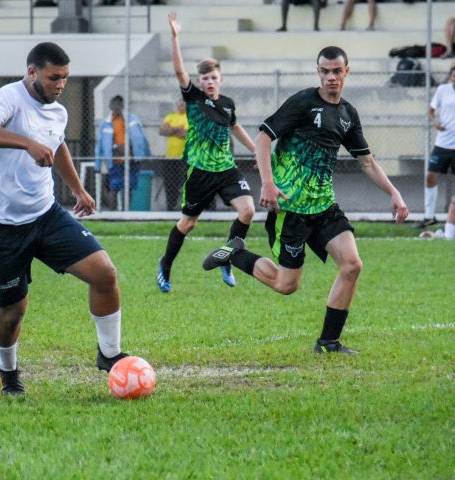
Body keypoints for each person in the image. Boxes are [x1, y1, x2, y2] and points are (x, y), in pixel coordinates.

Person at [203, 46, 408, 354]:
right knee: (287, 285)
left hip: (324, 207)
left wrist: (394, 192)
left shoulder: (347, 114)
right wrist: (268, 183)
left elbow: (366, 161)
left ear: (346, 72)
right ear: (318, 73)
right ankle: (235, 253)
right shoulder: (302, 103)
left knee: (352, 265)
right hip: (292, 210)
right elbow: (263, 137)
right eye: (324, 71)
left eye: (336, 71)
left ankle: (328, 342)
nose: (330, 77)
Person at [0, 42, 128, 396]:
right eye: (54, 77)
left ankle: (110, 355)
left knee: (105, 273)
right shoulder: (8, 98)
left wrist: (78, 190)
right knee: (12, 312)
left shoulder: (57, 111)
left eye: (66, 78)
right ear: (32, 72)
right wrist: (25, 143)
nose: (60, 85)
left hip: (44, 214)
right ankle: (8, 375)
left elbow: (58, 147)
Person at [157, 12, 256, 293]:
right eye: (205, 78)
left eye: (213, 77)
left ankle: (227, 256)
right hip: (200, 171)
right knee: (187, 224)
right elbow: (179, 72)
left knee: (247, 211)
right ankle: (165, 266)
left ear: (221, 79)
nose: (209, 82)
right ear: (200, 82)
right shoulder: (195, 100)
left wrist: (259, 154)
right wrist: (175, 38)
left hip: (226, 169)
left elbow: (236, 128)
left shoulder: (227, 104)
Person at [95, 95, 151, 210]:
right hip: (115, 159)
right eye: (114, 104)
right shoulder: (106, 123)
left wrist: (142, 153)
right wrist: (98, 163)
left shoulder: (132, 119)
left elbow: (141, 138)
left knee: (129, 187)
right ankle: (112, 213)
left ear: (122, 105)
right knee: (114, 186)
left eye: (119, 104)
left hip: (131, 158)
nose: (116, 107)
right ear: (110, 106)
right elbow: (101, 144)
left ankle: (126, 212)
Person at [419, 64, 455, 229]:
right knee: (430, 177)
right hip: (442, 144)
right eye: (453, 76)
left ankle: (451, 221)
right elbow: (431, 111)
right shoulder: (443, 90)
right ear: (450, 77)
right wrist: (435, 123)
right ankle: (429, 216)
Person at [159, 98, 188, 210]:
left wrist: (171, 130)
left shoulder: (190, 117)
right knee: (170, 183)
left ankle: (187, 206)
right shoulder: (171, 116)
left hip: (186, 157)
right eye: (180, 101)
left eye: (184, 102)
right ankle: (170, 206)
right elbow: (162, 131)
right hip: (170, 157)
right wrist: (177, 129)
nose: (182, 103)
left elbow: (185, 134)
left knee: (187, 182)